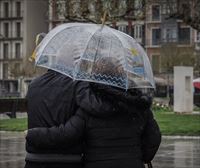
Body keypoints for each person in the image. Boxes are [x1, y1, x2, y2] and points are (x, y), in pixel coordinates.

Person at [26, 82, 161, 168]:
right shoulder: (139, 107)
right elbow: (154, 138)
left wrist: (33, 134)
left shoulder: (89, 108)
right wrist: (142, 157)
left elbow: (66, 134)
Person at [25, 69, 120, 168]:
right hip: (68, 159)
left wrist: (32, 134)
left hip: (34, 159)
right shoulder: (78, 83)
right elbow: (95, 106)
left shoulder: (33, 84)